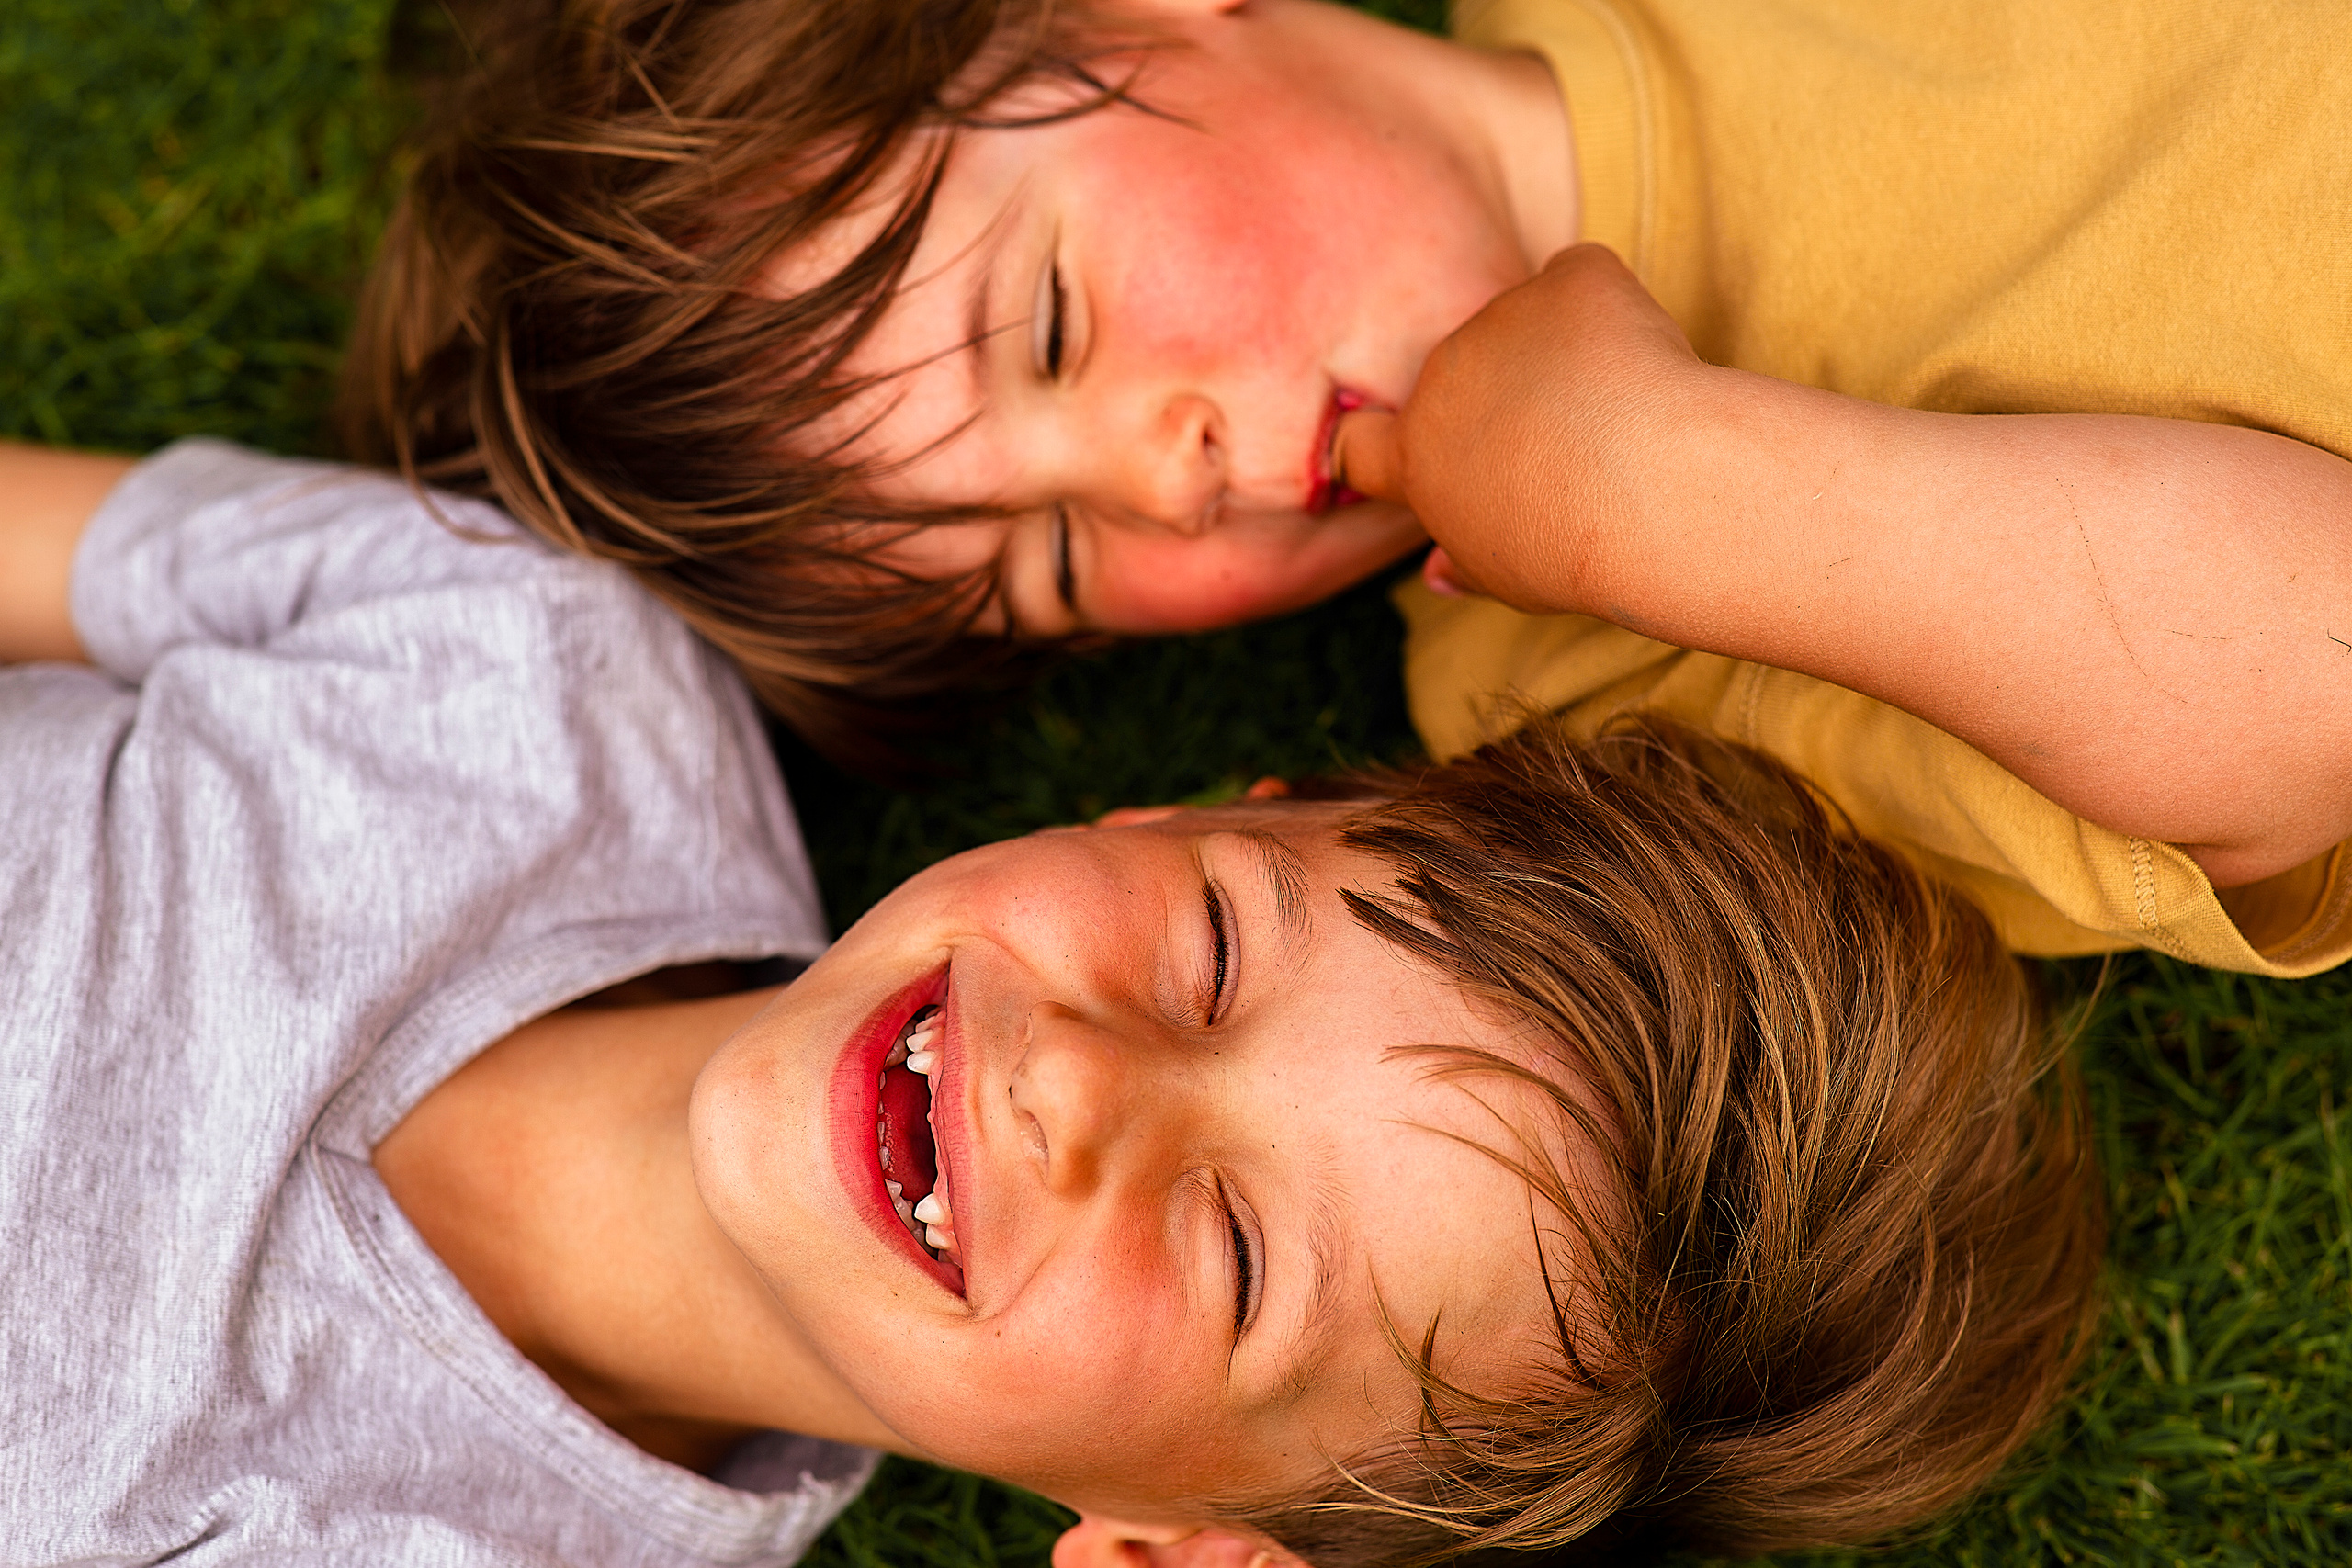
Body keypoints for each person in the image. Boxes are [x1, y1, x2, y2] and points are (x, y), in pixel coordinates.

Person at [2, 439, 2098, 1564]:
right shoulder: (537, 675)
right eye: (1204, 948)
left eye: (1239, 1246)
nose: (1072, 1089)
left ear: (1186, 1545)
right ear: (1184, 802)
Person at [341, 0, 2352, 977]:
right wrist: (1682, 502)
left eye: (1045, 326)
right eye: (1047, 563)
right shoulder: (1565, 708)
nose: (1158, 477)